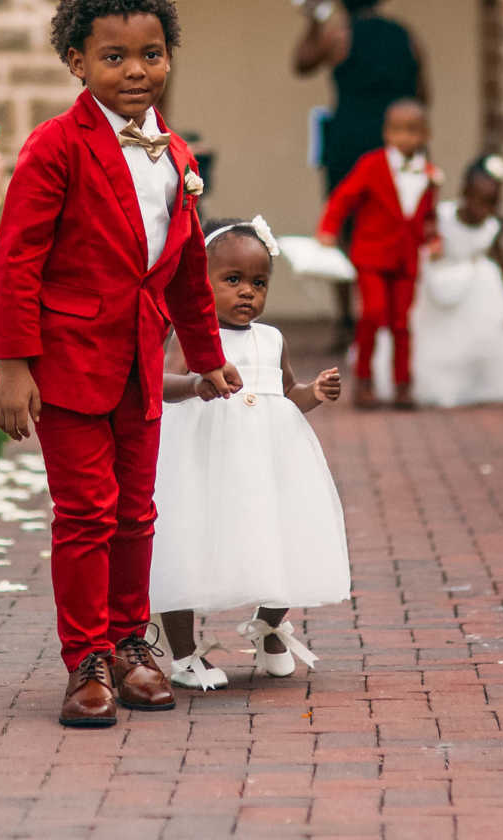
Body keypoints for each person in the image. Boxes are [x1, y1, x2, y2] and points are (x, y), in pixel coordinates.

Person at [0, 0, 239, 728]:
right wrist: (13, 364)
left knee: (137, 512)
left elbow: (187, 263)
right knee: (86, 513)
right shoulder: (56, 146)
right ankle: (86, 659)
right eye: (114, 57)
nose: (136, 71)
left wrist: (204, 354)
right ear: (77, 62)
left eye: (152, 54)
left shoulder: (179, 155)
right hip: (66, 362)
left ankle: (134, 643)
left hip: (140, 362)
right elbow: (18, 258)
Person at [151, 216, 348, 690]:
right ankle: (182, 653)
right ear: (201, 282)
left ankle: (267, 625)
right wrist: (197, 385)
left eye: (258, 283)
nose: (247, 293)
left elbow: (285, 396)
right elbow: (160, 384)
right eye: (232, 280)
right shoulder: (192, 333)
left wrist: (314, 392)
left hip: (268, 462)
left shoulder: (272, 338)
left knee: (283, 536)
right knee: (189, 546)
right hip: (202, 461)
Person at [292, 0, 428, 346]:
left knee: (343, 228)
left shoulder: (340, 36)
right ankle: (399, 314)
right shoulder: (407, 36)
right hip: (402, 144)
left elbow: (301, 63)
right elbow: (425, 92)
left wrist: (315, 17)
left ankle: (348, 321)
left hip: (349, 142)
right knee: (406, 225)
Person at [316, 98, 440, 409]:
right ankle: (364, 379)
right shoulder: (372, 164)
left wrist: (433, 238)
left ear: (425, 134)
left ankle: (402, 384)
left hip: (406, 258)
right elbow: (343, 197)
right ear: (386, 133)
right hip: (371, 254)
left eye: (413, 131)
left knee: (401, 323)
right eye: (398, 130)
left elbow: (427, 215)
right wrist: (329, 227)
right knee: (372, 313)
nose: (405, 138)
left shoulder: (428, 173)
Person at [407, 154, 503, 407]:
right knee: (439, 343)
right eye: (478, 200)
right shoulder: (442, 218)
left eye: (491, 203)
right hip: (440, 290)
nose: (482, 210)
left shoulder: (491, 229)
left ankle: (475, 382)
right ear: (464, 192)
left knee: (481, 331)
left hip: (475, 297)